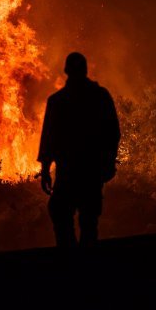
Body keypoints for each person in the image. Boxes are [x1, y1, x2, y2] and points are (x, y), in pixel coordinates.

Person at [38, 52, 120, 247]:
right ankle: (86, 266)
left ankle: (71, 261)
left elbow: (49, 138)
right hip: (92, 172)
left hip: (70, 173)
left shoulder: (58, 101)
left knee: (60, 212)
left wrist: (45, 170)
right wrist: (108, 162)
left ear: (66, 71)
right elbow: (113, 132)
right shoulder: (100, 97)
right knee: (88, 222)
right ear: (85, 70)